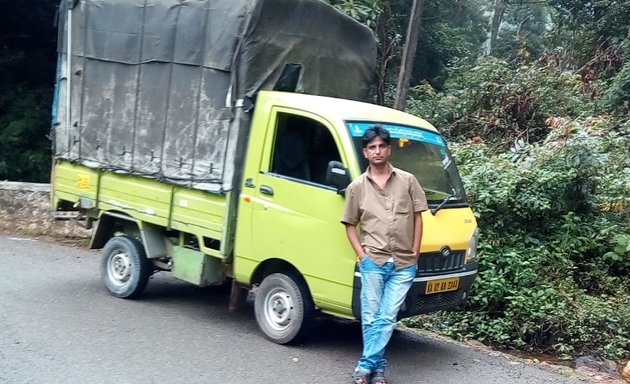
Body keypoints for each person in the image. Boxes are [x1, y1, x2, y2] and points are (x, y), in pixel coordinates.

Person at [341, 125, 428, 384]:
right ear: (365, 153)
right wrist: (361, 254)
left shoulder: (408, 180)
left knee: (387, 316)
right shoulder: (356, 187)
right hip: (373, 261)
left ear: (389, 149)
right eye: (372, 147)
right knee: (370, 318)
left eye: (381, 146)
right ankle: (377, 371)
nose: (377, 151)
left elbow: (418, 217)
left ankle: (364, 366)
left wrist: (415, 251)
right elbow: (349, 224)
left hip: (403, 263)